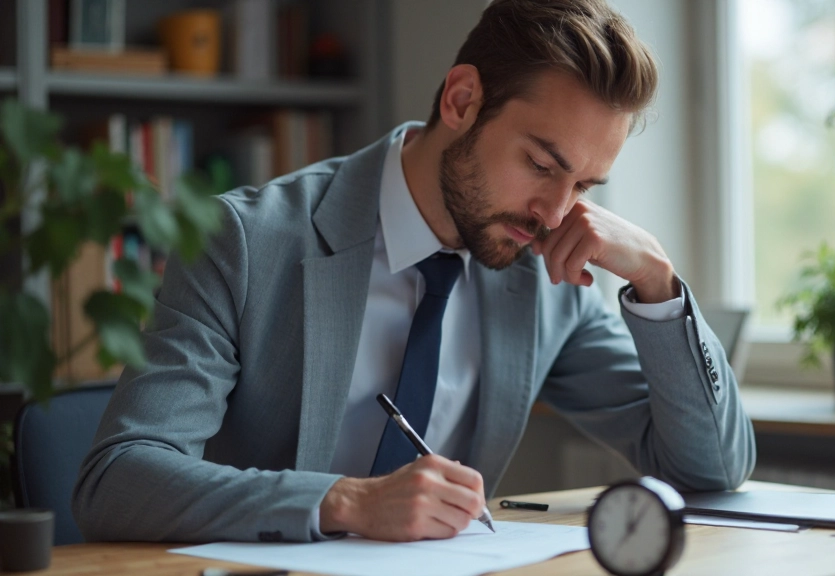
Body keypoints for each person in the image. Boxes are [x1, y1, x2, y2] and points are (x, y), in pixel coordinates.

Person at [73, 0, 755, 544]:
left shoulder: (541, 277)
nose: (555, 212)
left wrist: (658, 285)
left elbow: (712, 468)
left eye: (585, 186)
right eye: (543, 165)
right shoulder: (246, 242)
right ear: (460, 100)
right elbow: (118, 481)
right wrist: (345, 502)